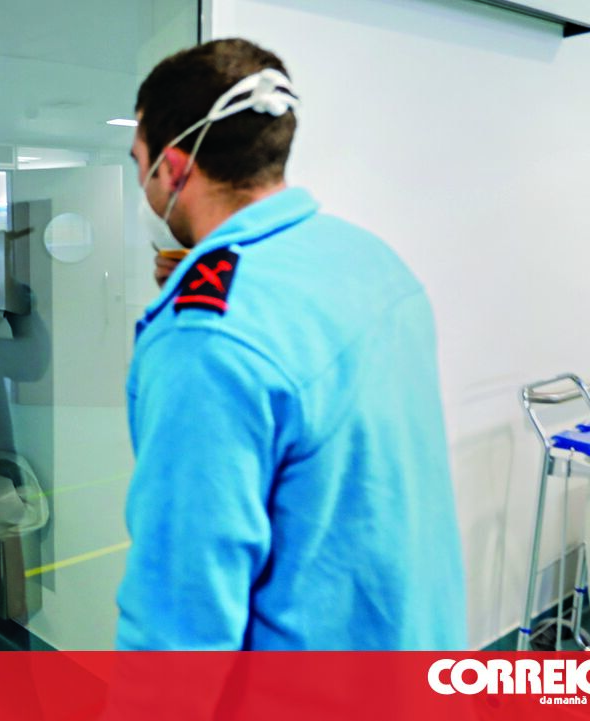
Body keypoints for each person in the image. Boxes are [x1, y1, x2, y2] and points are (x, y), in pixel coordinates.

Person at [118, 38, 466, 649]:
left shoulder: (205, 339)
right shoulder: (372, 261)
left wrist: (199, 320)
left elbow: (180, 624)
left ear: (172, 168)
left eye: (139, 163)